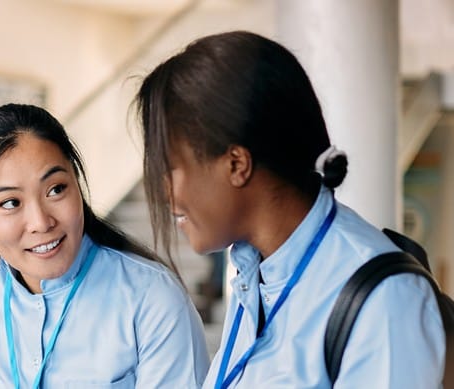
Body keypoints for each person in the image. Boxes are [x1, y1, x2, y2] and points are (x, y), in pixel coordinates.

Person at [135, 31, 445, 388]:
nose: (162, 194)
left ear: (237, 164)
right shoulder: (257, 277)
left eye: (169, 169)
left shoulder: (384, 300)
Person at [0, 103, 208, 388]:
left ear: (76, 181)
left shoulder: (152, 300)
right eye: (10, 203)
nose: (41, 222)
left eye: (55, 189)